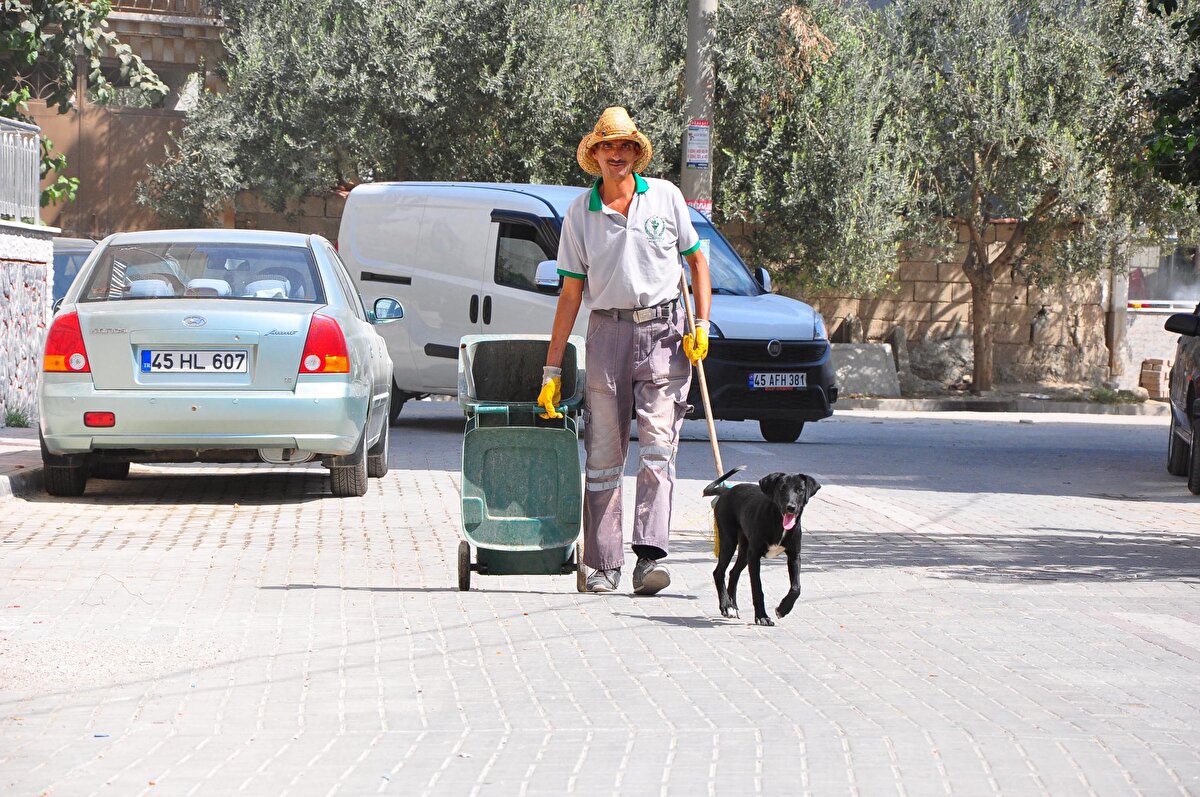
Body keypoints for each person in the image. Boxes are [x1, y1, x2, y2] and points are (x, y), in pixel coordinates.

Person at [537, 106, 712, 595]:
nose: (617, 154)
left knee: (658, 447)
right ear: (595, 155)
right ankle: (602, 564)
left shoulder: (666, 199)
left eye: (625, 146)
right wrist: (552, 369)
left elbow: (698, 264)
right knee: (604, 453)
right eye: (608, 146)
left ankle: (649, 559)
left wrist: (701, 324)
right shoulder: (579, 214)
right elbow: (570, 294)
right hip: (607, 334)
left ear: (636, 154)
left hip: (663, 335)